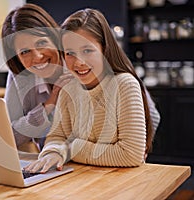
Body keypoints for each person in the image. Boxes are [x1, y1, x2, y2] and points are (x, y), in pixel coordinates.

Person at [24, 8, 160, 173]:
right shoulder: (68, 88)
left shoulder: (125, 84)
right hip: (82, 180)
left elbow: (130, 154)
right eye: (70, 53)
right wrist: (52, 153)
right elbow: (56, 137)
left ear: (104, 48)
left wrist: (71, 148)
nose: (79, 62)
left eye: (87, 50)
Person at [1, 4, 73, 151]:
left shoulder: (79, 63)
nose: (37, 57)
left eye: (41, 43)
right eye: (25, 51)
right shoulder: (19, 74)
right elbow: (8, 136)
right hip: (50, 161)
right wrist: (48, 106)